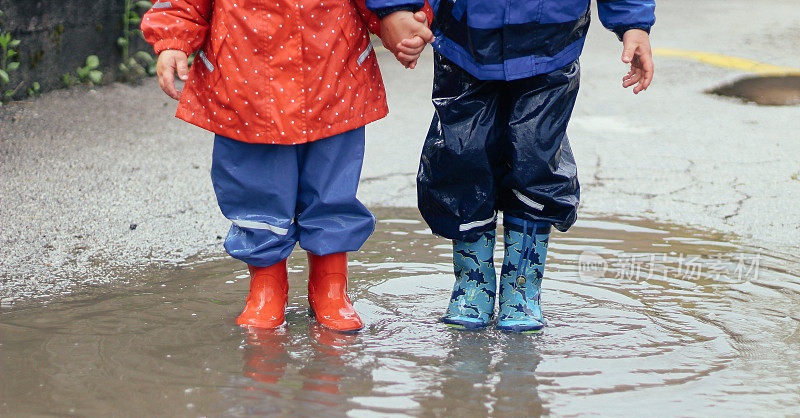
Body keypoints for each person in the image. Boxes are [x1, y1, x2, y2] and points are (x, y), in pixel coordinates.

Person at [141, 0, 431, 333]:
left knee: (332, 186)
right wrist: (173, 39)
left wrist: (399, 17)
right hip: (246, 74)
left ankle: (331, 286)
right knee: (256, 186)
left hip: (333, 68)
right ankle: (266, 286)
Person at [375, 0, 656, 332]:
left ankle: (522, 287)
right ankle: (472, 282)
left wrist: (633, 22)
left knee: (535, 156)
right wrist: (395, 9)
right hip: (464, 37)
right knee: (463, 154)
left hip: (552, 38)